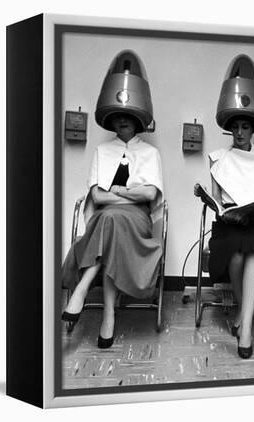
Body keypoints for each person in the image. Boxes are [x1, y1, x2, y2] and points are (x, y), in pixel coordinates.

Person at [61, 50, 163, 349]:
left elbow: (150, 194)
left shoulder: (150, 153)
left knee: (110, 218)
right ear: (111, 119)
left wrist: (116, 194)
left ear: (137, 119)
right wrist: (126, 196)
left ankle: (82, 289)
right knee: (110, 220)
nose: (122, 121)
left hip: (137, 220)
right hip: (110, 220)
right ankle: (108, 316)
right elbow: (95, 195)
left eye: (128, 116)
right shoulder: (102, 151)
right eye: (118, 116)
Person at [196, 54, 254, 359]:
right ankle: (245, 315)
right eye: (236, 127)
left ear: (253, 129)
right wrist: (212, 202)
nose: (240, 132)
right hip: (229, 224)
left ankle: (245, 327)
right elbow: (218, 199)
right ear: (230, 129)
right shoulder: (218, 157)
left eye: (246, 127)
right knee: (235, 256)